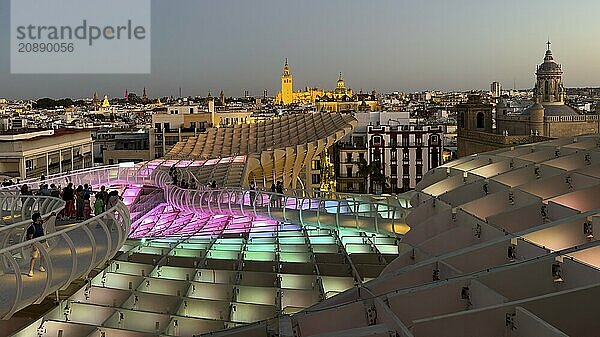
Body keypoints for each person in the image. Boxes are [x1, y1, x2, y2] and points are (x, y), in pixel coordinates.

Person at [26, 212, 55, 277]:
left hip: (43, 241)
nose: (40, 218)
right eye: (39, 217)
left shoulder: (40, 223)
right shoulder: (32, 227)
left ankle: (41, 266)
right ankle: (31, 270)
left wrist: (50, 215)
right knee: (34, 257)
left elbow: (45, 220)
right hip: (36, 243)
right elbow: (30, 238)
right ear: (37, 219)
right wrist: (33, 245)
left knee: (43, 255)